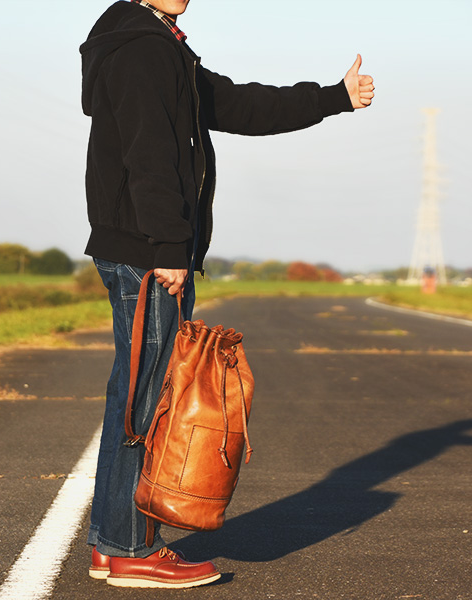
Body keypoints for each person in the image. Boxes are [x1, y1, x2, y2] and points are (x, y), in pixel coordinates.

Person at [79, 0, 374, 589]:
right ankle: (131, 548)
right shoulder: (142, 48)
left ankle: (116, 544)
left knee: (136, 394)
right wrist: (168, 246)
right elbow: (149, 152)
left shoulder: (157, 46)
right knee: (150, 400)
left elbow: (236, 103)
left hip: (140, 246)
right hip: (146, 250)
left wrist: (331, 97)